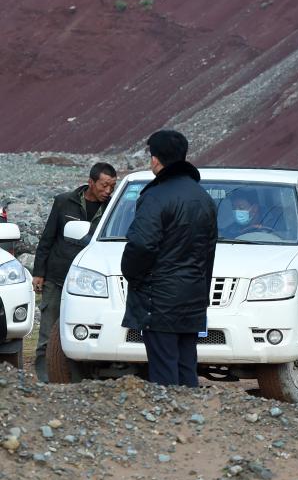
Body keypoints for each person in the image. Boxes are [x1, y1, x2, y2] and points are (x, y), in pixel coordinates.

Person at [121, 130, 217, 387]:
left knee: (163, 370)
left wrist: (131, 274)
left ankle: (168, 422)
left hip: (160, 299)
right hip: (193, 297)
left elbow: (141, 244)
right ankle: (192, 420)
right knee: (187, 366)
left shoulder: (155, 196)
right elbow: (209, 252)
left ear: (155, 160)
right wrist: (202, 292)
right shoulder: (203, 198)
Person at [32, 162, 117, 381]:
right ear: (91, 182)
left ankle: (79, 381)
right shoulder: (64, 202)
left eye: (112, 186)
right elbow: (48, 238)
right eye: (104, 185)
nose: (108, 191)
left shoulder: (113, 208)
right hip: (58, 277)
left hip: (91, 284)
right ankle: (44, 379)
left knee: (83, 331)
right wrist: (39, 272)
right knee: (47, 333)